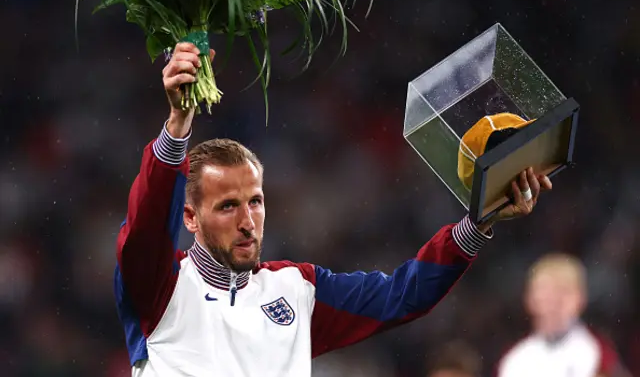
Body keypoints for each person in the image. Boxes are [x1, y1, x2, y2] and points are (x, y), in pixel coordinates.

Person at [114, 42, 552, 377]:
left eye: (256, 202)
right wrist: (177, 126)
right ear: (190, 218)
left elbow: (404, 294)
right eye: (227, 206)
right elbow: (147, 223)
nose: (248, 222)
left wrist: (478, 222)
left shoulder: (296, 290)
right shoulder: (159, 288)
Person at [496, 253, 630, 377]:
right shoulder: (515, 361)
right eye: (545, 295)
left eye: (562, 294)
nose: (552, 305)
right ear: (529, 299)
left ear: (580, 299)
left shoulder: (598, 354)